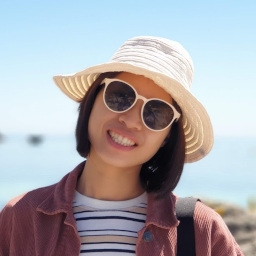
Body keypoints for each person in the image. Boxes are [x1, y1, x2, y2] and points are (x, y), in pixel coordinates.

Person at [0, 36, 243, 255]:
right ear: (92, 100)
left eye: (156, 113)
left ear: (167, 136)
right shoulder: (21, 215)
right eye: (120, 96)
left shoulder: (201, 229)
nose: (131, 120)